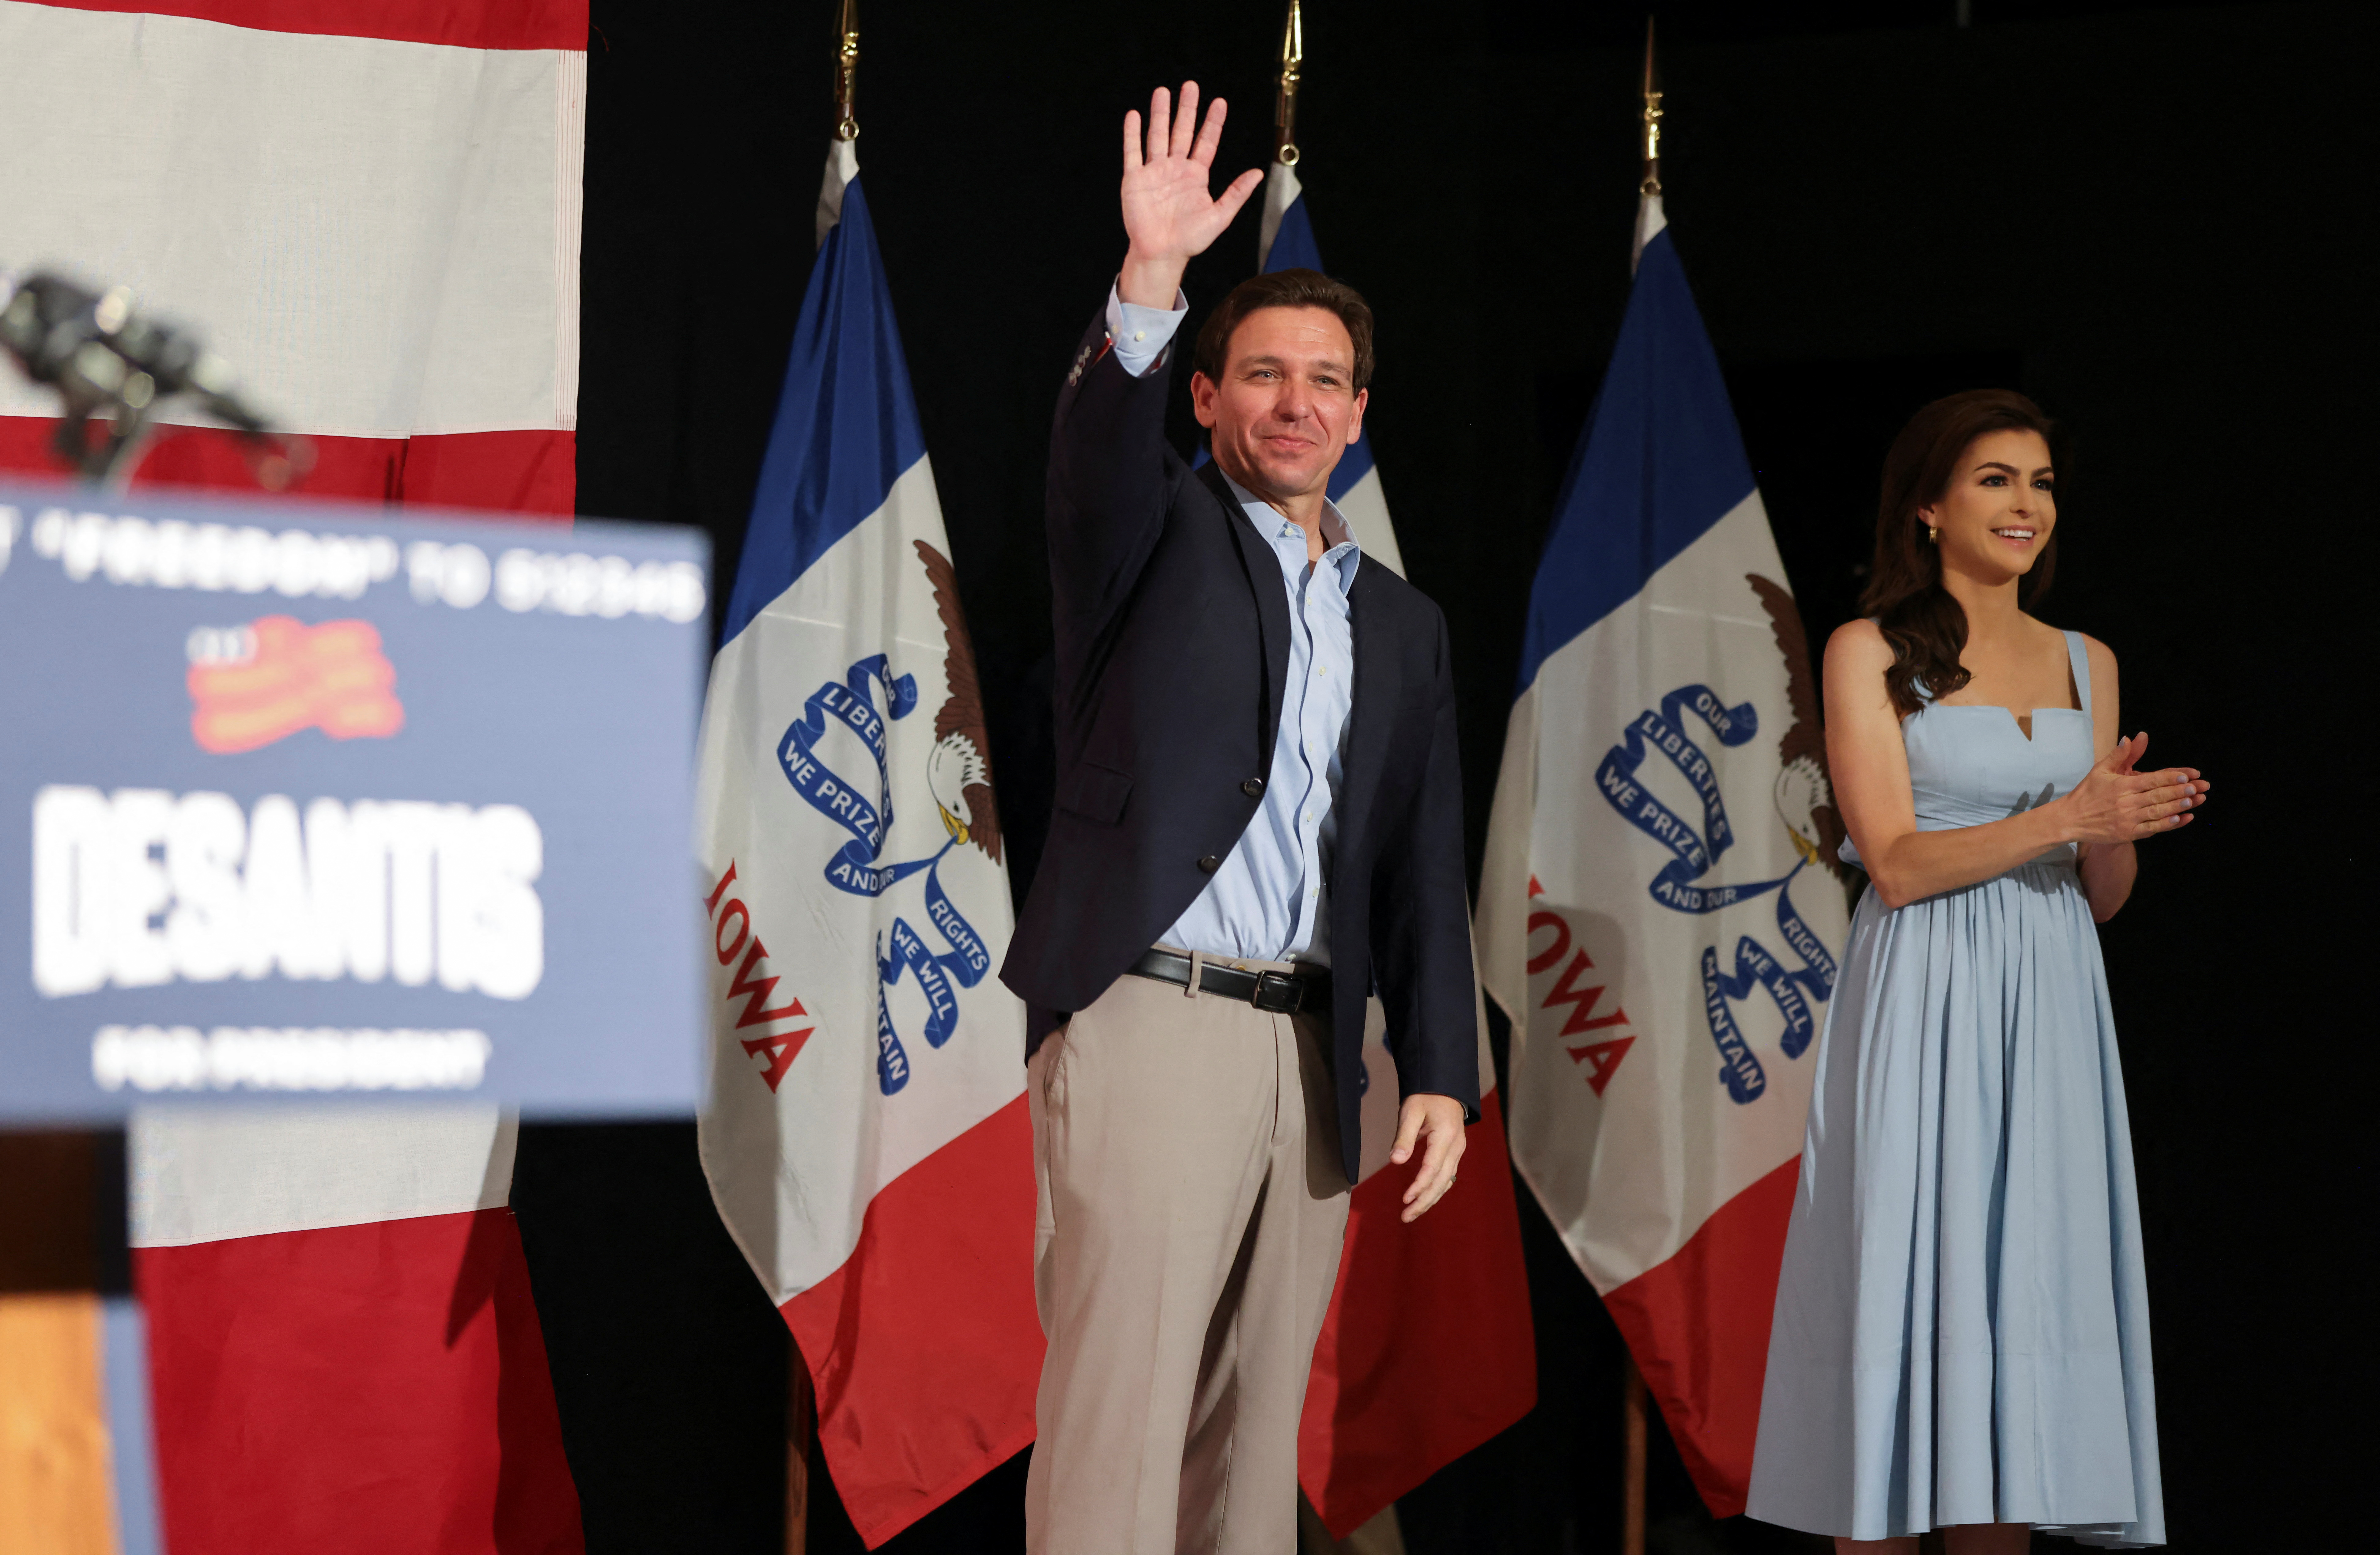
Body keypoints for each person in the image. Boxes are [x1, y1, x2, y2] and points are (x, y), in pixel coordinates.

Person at [999, 83, 1479, 1555]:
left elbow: (1415, 859)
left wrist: (1446, 1071)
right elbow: (1090, 463)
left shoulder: (1399, 625)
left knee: (1250, 1454)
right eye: (1261, 374)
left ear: (1357, 412)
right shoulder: (1144, 536)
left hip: (1315, 1050)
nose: (1296, 404)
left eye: (1326, 380)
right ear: (1203, 400)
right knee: (1119, 1430)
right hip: (1153, 1023)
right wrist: (1150, 279)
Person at [1746, 391, 2192, 1551]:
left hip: (2048, 1004)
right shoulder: (1867, 651)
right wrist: (2069, 815)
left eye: (2041, 483)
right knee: (1909, 1306)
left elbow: (2100, 896)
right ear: (1930, 509)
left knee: (2012, 1341)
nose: (2025, 504)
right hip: (1923, 996)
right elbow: (1891, 862)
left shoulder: (2088, 660)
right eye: (1995, 479)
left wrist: (2111, 828)